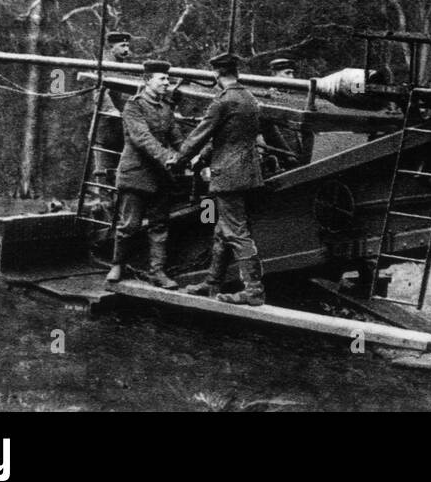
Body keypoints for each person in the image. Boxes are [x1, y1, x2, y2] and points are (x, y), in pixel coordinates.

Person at [179, 52, 267, 305]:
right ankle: (212, 282)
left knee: (236, 232)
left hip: (228, 175)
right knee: (222, 231)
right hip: (246, 172)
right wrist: (203, 158)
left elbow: (201, 134)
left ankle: (253, 291)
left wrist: (181, 158)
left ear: (216, 74)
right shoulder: (248, 97)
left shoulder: (222, 101)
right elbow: (229, 137)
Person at [106, 59, 183, 287]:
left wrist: (192, 155)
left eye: (168, 79)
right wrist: (168, 157)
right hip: (136, 174)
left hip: (160, 177)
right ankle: (117, 265)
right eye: (162, 79)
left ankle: (157, 273)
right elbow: (142, 138)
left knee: (159, 226)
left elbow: (177, 138)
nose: (167, 83)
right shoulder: (134, 106)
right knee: (130, 225)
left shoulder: (167, 109)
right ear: (147, 81)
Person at [87, 30, 134, 219]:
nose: (126, 50)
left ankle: (119, 214)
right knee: (104, 173)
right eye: (122, 46)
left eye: (128, 46)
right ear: (111, 46)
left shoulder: (125, 68)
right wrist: (112, 111)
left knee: (122, 173)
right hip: (105, 130)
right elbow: (100, 92)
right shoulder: (104, 66)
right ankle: (108, 214)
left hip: (122, 130)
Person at [259, 58, 313, 171]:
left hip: (298, 155)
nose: (292, 77)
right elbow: (268, 132)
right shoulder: (266, 99)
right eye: (287, 73)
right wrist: (287, 156)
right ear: (274, 75)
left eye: (292, 73)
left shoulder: (293, 99)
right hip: (278, 157)